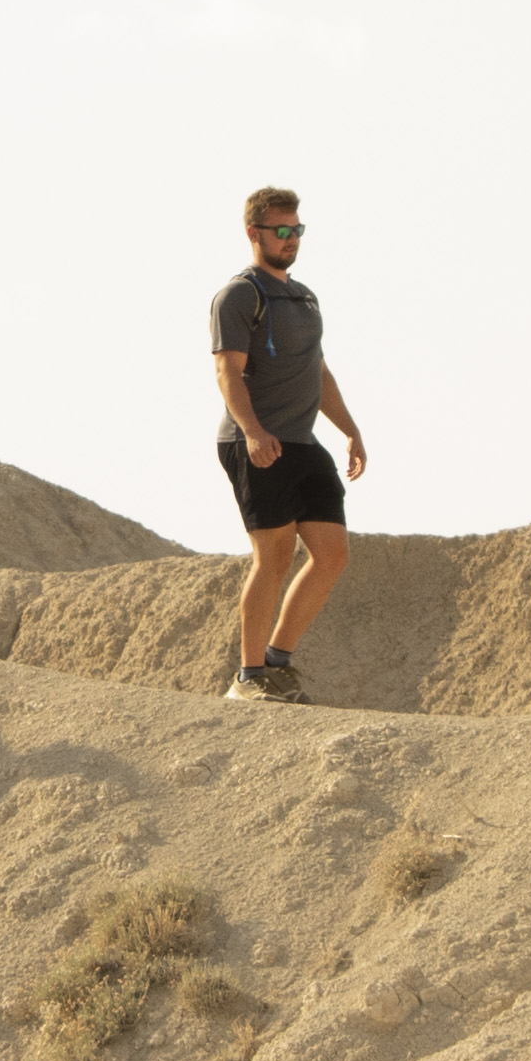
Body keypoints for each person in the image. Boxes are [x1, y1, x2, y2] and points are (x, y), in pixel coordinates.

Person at [205, 185, 366, 699]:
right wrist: (253, 432)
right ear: (254, 234)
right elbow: (227, 372)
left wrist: (350, 430)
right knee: (273, 558)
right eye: (281, 230)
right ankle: (249, 679)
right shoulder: (239, 295)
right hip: (255, 441)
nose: (291, 239)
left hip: (302, 443)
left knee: (332, 553)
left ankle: (277, 661)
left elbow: (317, 372)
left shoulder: (304, 297)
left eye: (297, 229)